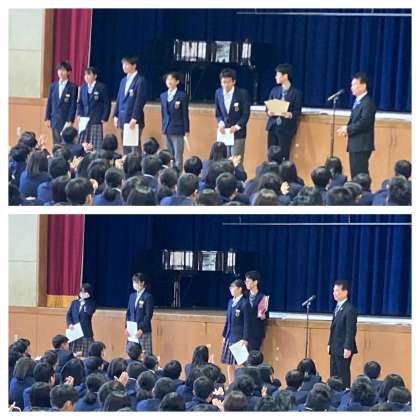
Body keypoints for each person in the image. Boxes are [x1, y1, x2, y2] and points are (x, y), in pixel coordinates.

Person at [337, 72, 376, 178]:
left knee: (360, 175)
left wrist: (348, 129)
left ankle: (363, 189)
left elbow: (364, 122)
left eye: (354, 85)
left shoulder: (367, 102)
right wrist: (347, 130)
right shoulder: (358, 101)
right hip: (355, 144)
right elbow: (355, 120)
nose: (352, 88)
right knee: (355, 174)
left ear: (363, 86)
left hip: (361, 145)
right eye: (351, 85)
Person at [266, 63, 302, 161]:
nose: (276, 77)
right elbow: (267, 107)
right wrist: (269, 112)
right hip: (273, 126)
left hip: (286, 128)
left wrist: (290, 114)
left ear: (285, 76)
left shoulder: (296, 93)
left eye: (278, 75)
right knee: (271, 155)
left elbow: (297, 111)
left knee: (284, 155)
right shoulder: (274, 90)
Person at [215, 68, 251, 163]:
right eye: (223, 82)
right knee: (223, 160)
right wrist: (221, 123)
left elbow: (246, 114)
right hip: (224, 133)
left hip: (237, 133)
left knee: (235, 161)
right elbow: (218, 113)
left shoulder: (242, 94)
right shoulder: (218, 93)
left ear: (233, 82)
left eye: (228, 82)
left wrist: (237, 126)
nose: (226, 85)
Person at [113, 56, 148, 155]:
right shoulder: (123, 81)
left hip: (133, 120)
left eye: (126, 64)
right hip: (122, 118)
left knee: (134, 147)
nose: (124, 67)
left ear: (134, 66)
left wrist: (135, 118)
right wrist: (115, 115)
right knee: (126, 147)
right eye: (123, 64)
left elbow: (140, 101)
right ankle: (126, 164)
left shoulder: (140, 80)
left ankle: (137, 164)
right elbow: (119, 99)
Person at [328, 280, 358, 388]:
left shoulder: (349, 309)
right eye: (334, 291)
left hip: (343, 348)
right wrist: (329, 343)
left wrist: (348, 347)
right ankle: (334, 393)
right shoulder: (337, 307)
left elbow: (351, 330)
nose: (334, 293)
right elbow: (333, 328)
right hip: (334, 347)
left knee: (343, 374)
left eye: (337, 291)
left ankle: (345, 393)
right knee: (333, 373)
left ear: (345, 292)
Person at [221, 279, 251, 384]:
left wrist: (245, 339)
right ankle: (231, 385)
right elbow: (227, 320)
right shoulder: (231, 302)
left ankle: (244, 385)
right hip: (229, 336)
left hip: (239, 338)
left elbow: (247, 323)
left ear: (240, 289)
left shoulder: (245, 303)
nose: (231, 289)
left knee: (242, 364)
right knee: (230, 363)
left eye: (233, 287)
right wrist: (224, 335)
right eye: (230, 287)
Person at [160, 71, 190, 173]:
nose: (169, 81)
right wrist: (163, 127)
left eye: (171, 79)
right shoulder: (163, 95)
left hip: (178, 129)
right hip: (166, 129)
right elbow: (163, 113)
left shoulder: (182, 96)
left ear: (177, 82)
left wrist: (186, 129)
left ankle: (178, 175)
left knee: (178, 155)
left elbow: (185, 114)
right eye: (167, 79)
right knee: (168, 155)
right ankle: (169, 174)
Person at [77, 66, 111, 150]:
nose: (86, 77)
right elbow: (80, 102)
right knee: (83, 143)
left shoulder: (101, 87)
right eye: (85, 75)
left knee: (95, 144)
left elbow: (107, 103)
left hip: (96, 119)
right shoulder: (83, 88)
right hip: (84, 120)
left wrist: (104, 117)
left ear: (95, 76)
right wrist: (79, 114)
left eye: (89, 74)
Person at [45, 61, 78, 145]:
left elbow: (73, 105)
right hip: (54, 118)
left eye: (63, 70)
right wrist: (47, 118)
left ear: (68, 72)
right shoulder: (53, 86)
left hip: (66, 120)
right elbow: (49, 103)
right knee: (56, 143)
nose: (60, 72)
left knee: (65, 143)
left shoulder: (72, 87)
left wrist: (71, 120)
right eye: (59, 70)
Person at [125, 273, 154, 355]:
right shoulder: (132, 296)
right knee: (132, 353)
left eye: (136, 282)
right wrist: (126, 327)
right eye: (133, 282)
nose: (134, 284)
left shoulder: (147, 297)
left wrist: (141, 329)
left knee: (145, 355)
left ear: (142, 282)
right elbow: (128, 313)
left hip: (143, 331)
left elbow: (148, 315)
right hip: (132, 331)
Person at [66, 283, 97, 357]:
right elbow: (69, 315)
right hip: (75, 332)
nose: (82, 294)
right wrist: (70, 324)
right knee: (73, 353)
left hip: (85, 332)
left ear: (89, 293)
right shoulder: (74, 303)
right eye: (81, 292)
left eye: (84, 292)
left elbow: (89, 312)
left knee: (86, 354)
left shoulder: (91, 304)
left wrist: (86, 302)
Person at [244, 271, 269, 351]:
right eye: (245, 281)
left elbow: (266, 316)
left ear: (255, 282)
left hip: (255, 333)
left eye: (248, 281)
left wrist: (263, 315)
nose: (246, 283)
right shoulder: (244, 296)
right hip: (243, 332)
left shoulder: (262, 297)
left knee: (253, 355)